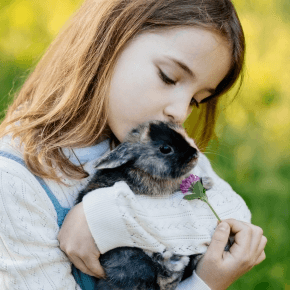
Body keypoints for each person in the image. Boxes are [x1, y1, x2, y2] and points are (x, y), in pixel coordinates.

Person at [0, 0, 267, 289]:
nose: (179, 112)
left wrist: (107, 215)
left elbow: (237, 218)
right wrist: (204, 284)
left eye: (195, 101)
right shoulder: (16, 181)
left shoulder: (164, 146)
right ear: (111, 37)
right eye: (168, 77)